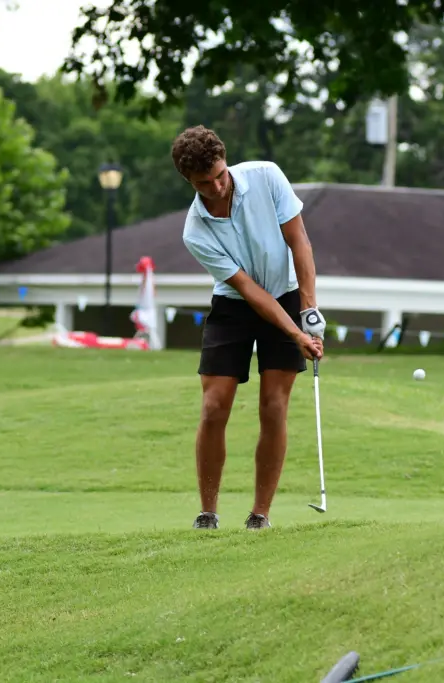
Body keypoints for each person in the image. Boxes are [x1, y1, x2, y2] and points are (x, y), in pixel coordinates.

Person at [173, 125, 325, 531]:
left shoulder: (266, 176)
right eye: (204, 183)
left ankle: (260, 515)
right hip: (234, 305)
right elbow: (247, 289)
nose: (217, 187)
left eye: (220, 175)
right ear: (188, 181)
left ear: (225, 161)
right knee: (213, 406)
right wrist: (295, 334)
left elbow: (300, 242)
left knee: (274, 406)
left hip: (287, 293)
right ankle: (208, 512)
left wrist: (308, 311)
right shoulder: (195, 230)